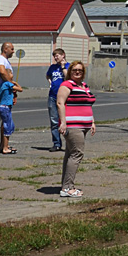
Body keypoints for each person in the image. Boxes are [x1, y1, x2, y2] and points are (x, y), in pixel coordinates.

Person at [57, 61, 95, 198]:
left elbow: (88, 104)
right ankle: (68, 188)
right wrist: (63, 123)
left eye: (80, 70)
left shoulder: (84, 86)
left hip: (84, 125)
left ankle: (65, 185)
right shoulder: (67, 85)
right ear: (70, 71)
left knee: (70, 155)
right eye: (74, 70)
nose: (77, 72)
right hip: (73, 126)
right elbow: (60, 103)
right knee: (77, 154)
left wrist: (92, 122)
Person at [45, 48, 68, 151]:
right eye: (54, 56)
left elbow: (68, 78)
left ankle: (70, 143)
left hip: (65, 97)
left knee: (66, 120)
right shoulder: (53, 67)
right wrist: (50, 83)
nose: (55, 57)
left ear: (63, 55)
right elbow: (47, 75)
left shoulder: (69, 66)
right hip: (53, 96)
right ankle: (57, 143)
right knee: (54, 121)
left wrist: (63, 67)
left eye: (57, 55)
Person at [0, 76, 24, 154]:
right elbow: (20, 89)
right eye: (11, 73)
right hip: (6, 107)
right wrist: (15, 83)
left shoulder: (1, 85)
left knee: (9, 125)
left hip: (2, 106)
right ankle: (5, 148)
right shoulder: (8, 84)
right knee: (7, 126)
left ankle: (3, 145)